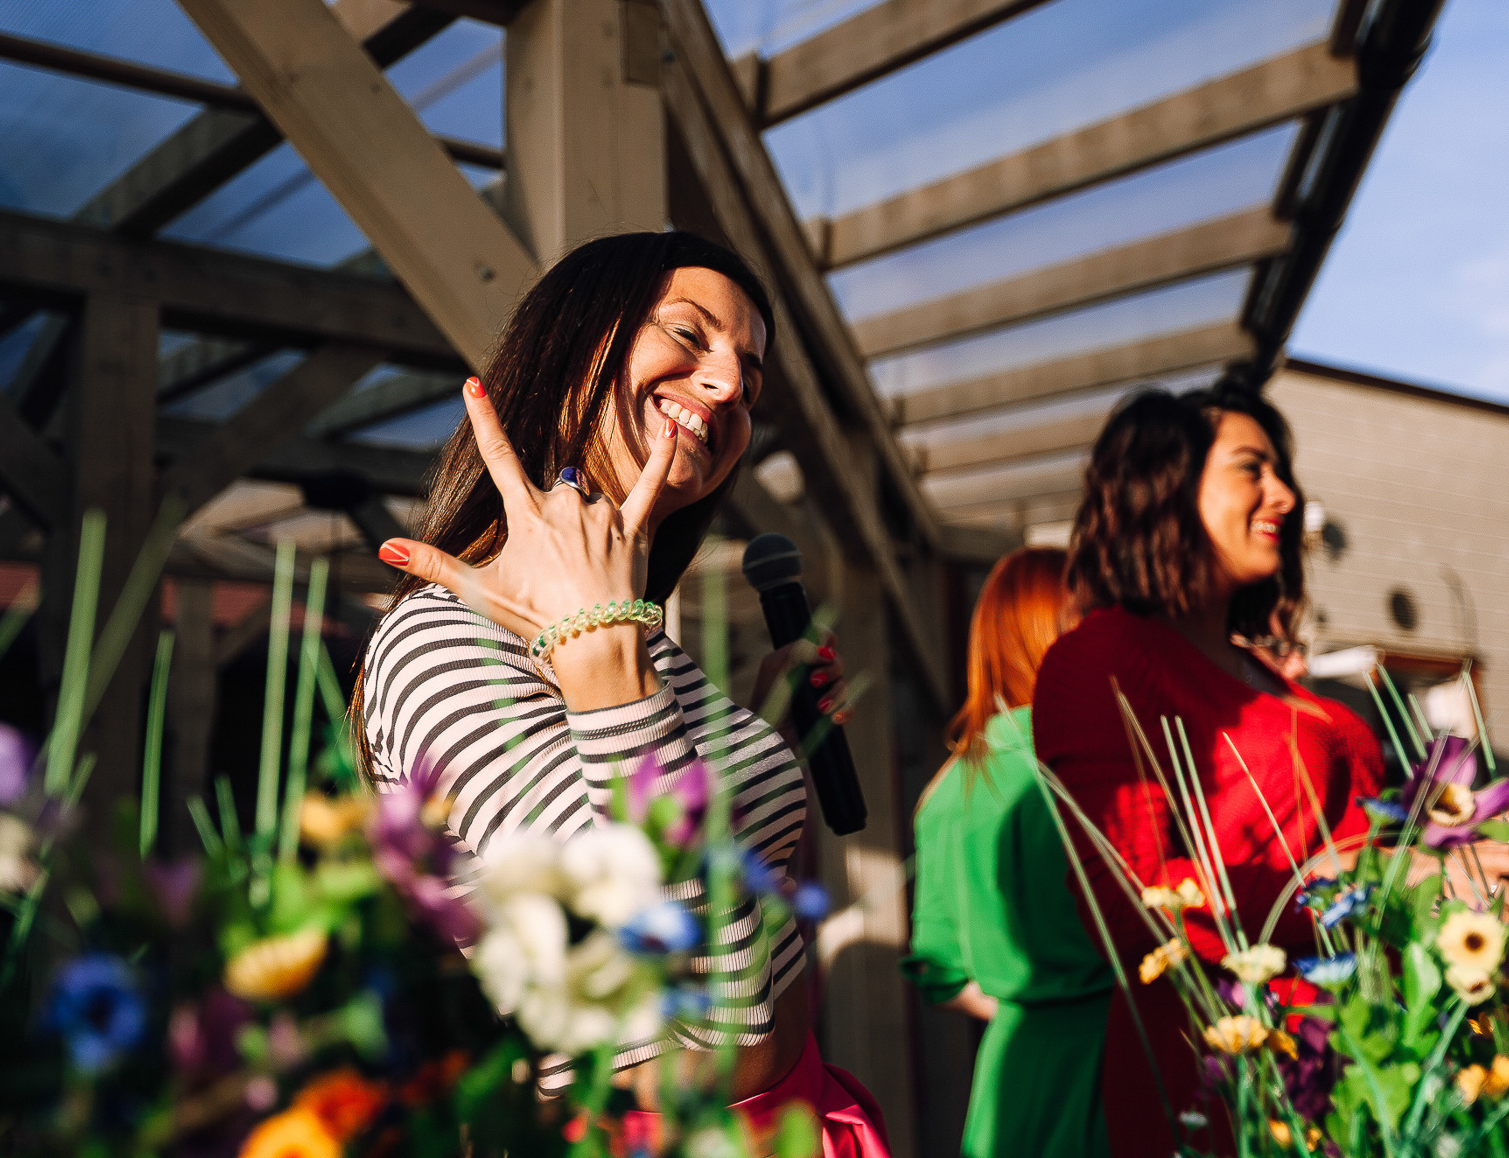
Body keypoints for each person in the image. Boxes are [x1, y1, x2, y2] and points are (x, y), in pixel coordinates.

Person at [349, 232, 889, 1157]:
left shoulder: (630, 634)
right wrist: (603, 667)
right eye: (689, 334)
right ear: (573, 346)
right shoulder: (446, 642)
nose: (727, 385)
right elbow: (682, 1004)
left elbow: (727, 897)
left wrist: (768, 733)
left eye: (750, 381)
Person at [1031, 378, 1384, 1157]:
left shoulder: (1289, 688)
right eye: (1251, 468)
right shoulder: (1101, 660)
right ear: (1163, 485)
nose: (1285, 496)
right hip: (1220, 1083)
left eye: (1282, 471)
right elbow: (1134, 907)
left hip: (1371, 1064)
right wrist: (1364, 888)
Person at [903, 546, 1111, 1158]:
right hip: (1117, 1060)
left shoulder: (945, 793)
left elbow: (938, 969)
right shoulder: (1100, 767)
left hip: (1012, 1082)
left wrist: (1026, 1002)